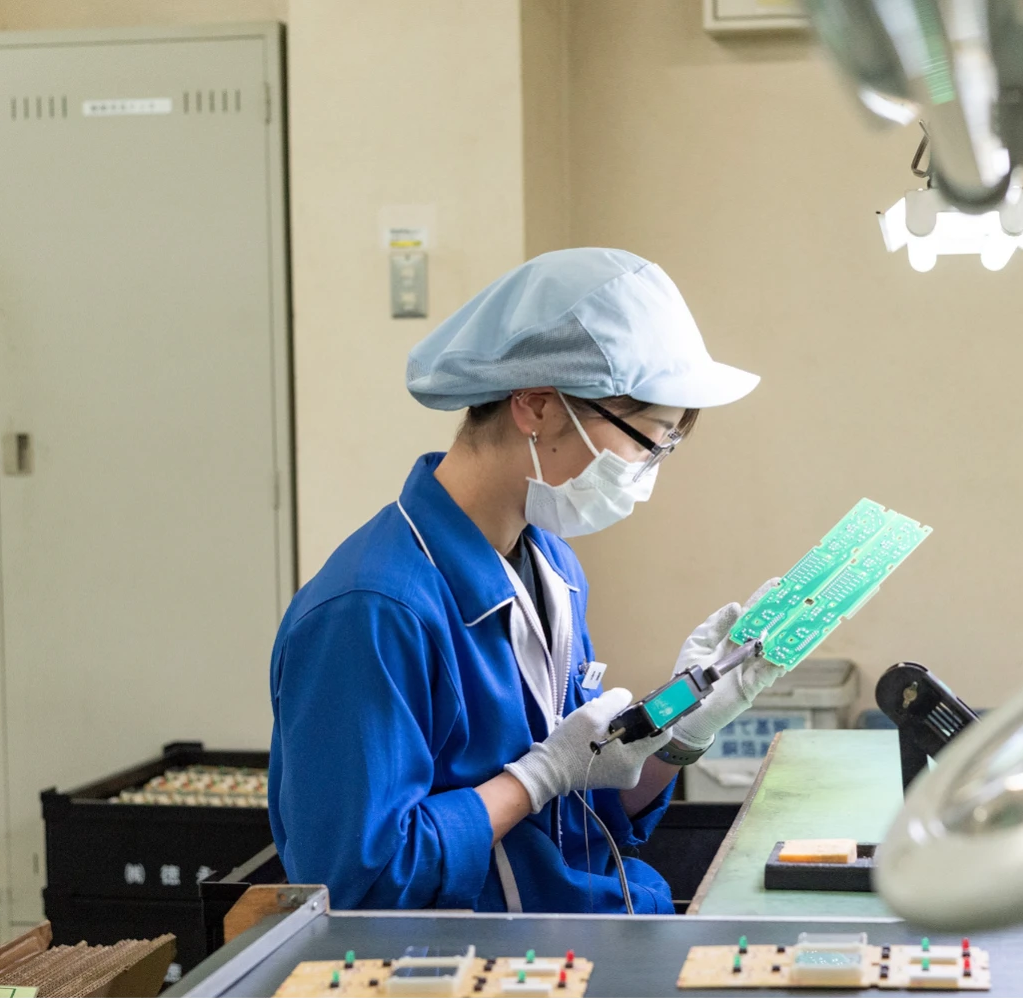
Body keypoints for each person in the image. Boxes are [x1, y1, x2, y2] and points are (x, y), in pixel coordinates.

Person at [268, 247, 786, 914]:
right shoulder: (371, 611)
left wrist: (685, 727)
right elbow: (355, 884)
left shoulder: (553, 569)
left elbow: (583, 815)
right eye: (646, 440)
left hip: (584, 927)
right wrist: (537, 776)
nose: (648, 471)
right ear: (536, 406)